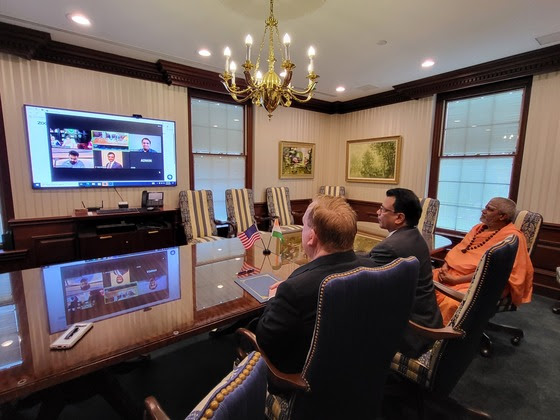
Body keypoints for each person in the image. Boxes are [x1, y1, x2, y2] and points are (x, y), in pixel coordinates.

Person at [255, 195, 376, 374]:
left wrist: (274, 299)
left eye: (304, 226)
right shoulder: (373, 269)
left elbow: (265, 340)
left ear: (311, 237)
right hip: (359, 370)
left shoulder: (295, 289)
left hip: (302, 382)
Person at [367, 188, 443, 358]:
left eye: (383, 209)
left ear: (399, 217)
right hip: (429, 320)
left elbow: (364, 276)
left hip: (411, 333)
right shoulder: (415, 236)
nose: (377, 212)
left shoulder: (389, 247)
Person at [434, 197, 533, 324]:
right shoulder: (478, 228)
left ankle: (441, 338)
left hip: (481, 281)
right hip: (452, 272)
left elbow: (496, 272)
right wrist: (445, 267)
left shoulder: (513, 238)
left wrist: (456, 280)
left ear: (502, 216)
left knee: (452, 303)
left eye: (489, 209)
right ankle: (421, 325)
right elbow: (459, 250)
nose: (483, 211)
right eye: (485, 207)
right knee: (421, 283)